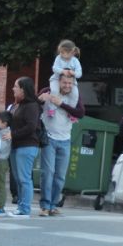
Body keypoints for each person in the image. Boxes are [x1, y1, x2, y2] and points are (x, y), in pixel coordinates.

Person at [38, 74, 85, 216]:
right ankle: (45, 206)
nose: (67, 86)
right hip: (49, 138)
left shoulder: (74, 97)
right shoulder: (48, 90)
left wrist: (61, 104)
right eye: (64, 82)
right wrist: (39, 99)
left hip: (65, 140)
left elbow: (81, 113)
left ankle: (53, 205)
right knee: (48, 173)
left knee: (60, 176)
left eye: (70, 83)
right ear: (58, 82)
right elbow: (33, 103)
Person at [7, 77, 41, 218]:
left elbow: (31, 127)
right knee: (18, 178)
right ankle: (21, 206)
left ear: (23, 89)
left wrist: (13, 134)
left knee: (24, 178)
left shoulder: (32, 105)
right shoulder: (19, 105)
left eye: (16, 86)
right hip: (16, 146)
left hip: (27, 146)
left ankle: (25, 208)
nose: (13, 89)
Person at [47, 40, 82, 118]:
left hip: (70, 81)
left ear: (71, 52)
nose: (61, 54)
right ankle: (51, 109)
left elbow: (79, 74)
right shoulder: (58, 58)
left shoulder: (75, 61)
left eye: (63, 52)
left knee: (75, 95)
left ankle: (71, 111)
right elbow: (54, 68)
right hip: (56, 79)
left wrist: (74, 73)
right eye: (61, 52)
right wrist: (62, 71)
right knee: (54, 91)